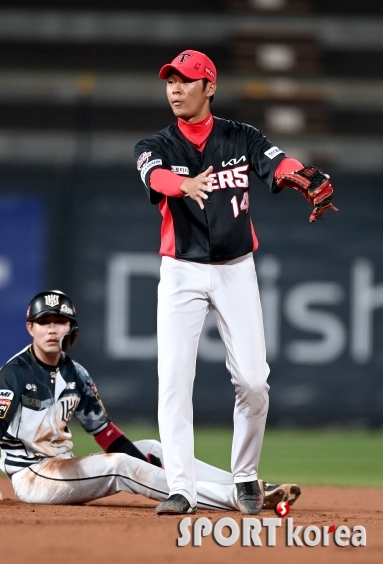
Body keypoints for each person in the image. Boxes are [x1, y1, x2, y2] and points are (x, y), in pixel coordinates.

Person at [133, 50, 336, 516]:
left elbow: (277, 163)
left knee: (254, 381)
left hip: (235, 268)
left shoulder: (241, 137)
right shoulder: (155, 144)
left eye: (186, 81)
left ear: (210, 87)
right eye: (170, 81)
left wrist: (302, 176)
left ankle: (244, 475)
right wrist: (180, 185)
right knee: (174, 380)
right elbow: (152, 174)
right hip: (181, 270)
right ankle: (182, 487)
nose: (176, 89)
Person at [0, 290, 301, 512]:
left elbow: (105, 433)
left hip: (65, 467)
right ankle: (228, 499)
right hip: (34, 476)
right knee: (120, 466)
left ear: (70, 327)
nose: (52, 329)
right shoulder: (15, 372)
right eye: (44, 322)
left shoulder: (75, 373)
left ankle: (244, 485)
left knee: (152, 447)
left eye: (60, 321)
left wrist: (147, 460)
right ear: (30, 328)